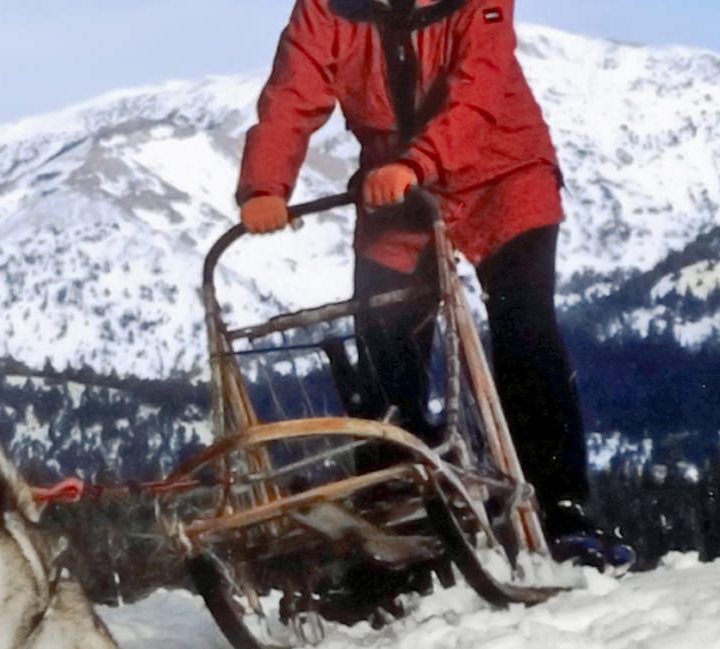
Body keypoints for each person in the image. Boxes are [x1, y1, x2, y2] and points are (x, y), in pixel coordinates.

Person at [234, 0, 628, 567]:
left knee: (524, 325)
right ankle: (397, 499)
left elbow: (479, 90)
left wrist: (418, 162)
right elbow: (293, 94)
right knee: (382, 330)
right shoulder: (327, 9)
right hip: (395, 187)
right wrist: (263, 188)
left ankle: (561, 508)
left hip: (501, 173)